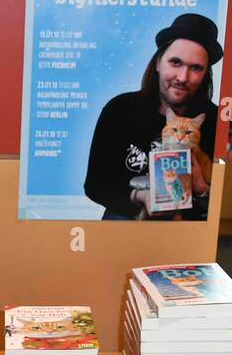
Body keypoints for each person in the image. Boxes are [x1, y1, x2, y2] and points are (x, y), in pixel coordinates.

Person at [84, 13, 223, 221]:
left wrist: (202, 189)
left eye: (195, 68)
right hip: (127, 222)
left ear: (205, 74)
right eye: (175, 63)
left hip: (186, 231)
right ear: (158, 63)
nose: (183, 77)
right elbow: (96, 185)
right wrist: (139, 196)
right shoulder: (120, 109)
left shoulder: (215, 120)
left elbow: (224, 203)